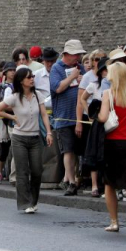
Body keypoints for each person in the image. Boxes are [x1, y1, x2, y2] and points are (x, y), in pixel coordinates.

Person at [0, 67, 53, 213]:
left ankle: (34, 201)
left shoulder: (38, 95)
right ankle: (25, 203)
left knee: (37, 170)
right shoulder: (14, 97)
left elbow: (44, 115)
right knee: (22, 171)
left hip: (35, 137)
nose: (32, 79)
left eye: (32, 76)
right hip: (19, 137)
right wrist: (12, 117)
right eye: (28, 77)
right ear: (21, 81)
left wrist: (49, 132)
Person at [97, 62, 126, 233]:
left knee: (109, 184)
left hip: (112, 142)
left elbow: (103, 117)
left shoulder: (108, 94)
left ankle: (114, 222)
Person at [50, 39, 86, 196]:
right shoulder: (56, 68)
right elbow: (57, 88)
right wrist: (72, 77)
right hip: (64, 117)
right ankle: (71, 182)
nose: (77, 57)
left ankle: (75, 178)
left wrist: (81, 80)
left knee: (79, 150)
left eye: (79, 55)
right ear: (66, 54)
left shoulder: (80, 67)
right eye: (75, 54)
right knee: (68, 150)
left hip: (80, 116)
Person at [79, 58, 109, 197]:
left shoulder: (115, 86)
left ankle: (107, 184)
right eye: (104, 70)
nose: (106, 73)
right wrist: (90, 114)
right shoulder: (94, 85)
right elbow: (83, 98)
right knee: (94, 153)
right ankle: (94, 185)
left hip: (111, 122)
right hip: (98, 122)